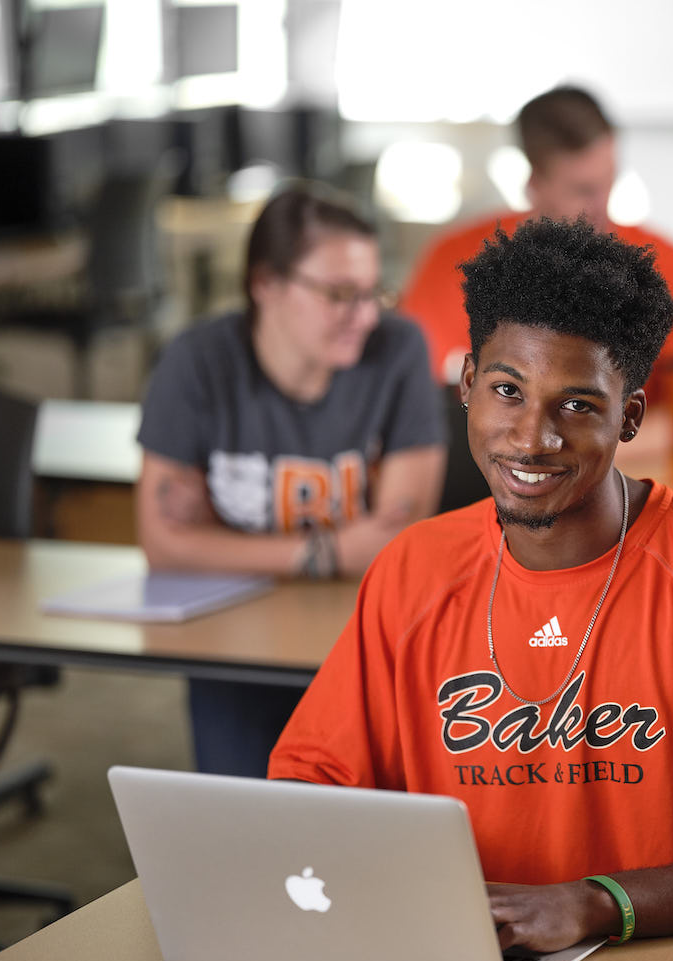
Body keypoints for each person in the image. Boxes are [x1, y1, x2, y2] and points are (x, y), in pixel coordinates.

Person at [270, 217, 673, 953]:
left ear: (629, 418)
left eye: (578, 405)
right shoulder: (413, 570)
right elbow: (311, 788)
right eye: (507, 390)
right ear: (467, 384)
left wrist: (601, 904)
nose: (533, 437)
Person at [136, 182, 447, 778]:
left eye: (372, 293)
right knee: (243, 832)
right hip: (229, 640)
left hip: (362, 640)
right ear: (266, 285)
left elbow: (393, 543)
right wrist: (329, 550)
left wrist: (226, 546)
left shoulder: (398, 348)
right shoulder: (196, 361)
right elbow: (165, 546)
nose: (364, 316)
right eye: (338, 294)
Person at [400, 86, 673, 453]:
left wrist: (557, 452)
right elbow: (411, 420)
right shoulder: (451, 265)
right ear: (533, 186)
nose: (602, 207)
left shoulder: (669, 268)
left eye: (609, 182)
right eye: (583, 191)